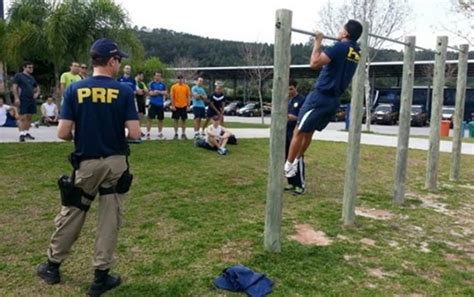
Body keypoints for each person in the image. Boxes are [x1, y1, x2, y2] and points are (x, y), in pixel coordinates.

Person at [36, 38, 140, 296]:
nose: (120, 65)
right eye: (119, 60)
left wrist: (85, 135)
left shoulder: (74, 90)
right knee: (109, 219)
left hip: (87, 162)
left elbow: (62, 133)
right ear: (112, 61)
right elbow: (135, 133)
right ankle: (100, 276)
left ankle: (52, 266)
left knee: (73, 212)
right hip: (116, 163)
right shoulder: (124, 92)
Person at [284, 20, 363, 178]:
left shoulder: (340, 46)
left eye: (341, 28)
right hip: (333, 100)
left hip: (320, 97)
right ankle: (296, 161)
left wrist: (318, 42)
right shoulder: (356, 51)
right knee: (308, 131)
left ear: (345, 34)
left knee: (298, 130)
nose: (338, 30)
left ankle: (288, 166)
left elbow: (314, 63)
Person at [285, 80, 306, 195]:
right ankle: (291, 182)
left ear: (295, 88)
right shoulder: (287, 100)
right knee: (287, 157)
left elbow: (304, 117)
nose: (289, 91)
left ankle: (300, 185)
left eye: (291, 89)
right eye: (287, 89)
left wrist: (295, 118)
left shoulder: (302, 100)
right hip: (286, 131)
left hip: (297, 133)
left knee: (297, 157)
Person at [12, 61, 40, 142]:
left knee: (29, 116)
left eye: (32, 67)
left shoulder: (32, 78)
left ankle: (26, 132)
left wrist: (37, 94)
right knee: (22, 116)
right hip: (23, 98)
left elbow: (37, 87)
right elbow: (14, 87)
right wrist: (16, 97)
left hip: (31, 99)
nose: (31, 69)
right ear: (24, 67)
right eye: (29, 67)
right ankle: (21, 134)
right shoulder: (19, 76)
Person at [146, 72, 167, 139]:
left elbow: (166, 93)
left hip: (160, 104)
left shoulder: (163, 84)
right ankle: (148, 132)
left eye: (159, 76)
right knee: (150, 118)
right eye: (157, 76)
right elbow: (150, 93)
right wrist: (160, 93)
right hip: (153, 103)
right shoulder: (151, 84)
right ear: (154, 76)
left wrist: (158, 92)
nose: (158, 77)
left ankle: (160, 132)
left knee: (160, 119)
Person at [170, 74, 191, 140]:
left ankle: (183, 134)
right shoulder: (174, 87)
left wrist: (188, 106)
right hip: (176, 106)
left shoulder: (186, 87)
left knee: (184, 120)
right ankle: (176, 134)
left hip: (184, 106)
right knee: (175, 120)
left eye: (181, 78)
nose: (180, 80)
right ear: (177, 79)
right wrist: (173, 105)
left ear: (183, 79)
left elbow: (188, 97)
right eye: (179, 78)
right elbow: (172, 97)